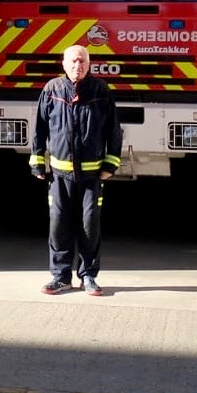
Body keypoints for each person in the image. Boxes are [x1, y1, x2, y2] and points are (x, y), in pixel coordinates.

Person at [30, 44, 122, 296]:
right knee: (59, 225)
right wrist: (38, 162)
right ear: (63, 64)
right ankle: (60, 277)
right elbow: (39, 129)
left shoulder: (100, 91)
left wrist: (110, 165)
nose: (77, 66)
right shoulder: (52, 89)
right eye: (72, 61)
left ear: (89, 64)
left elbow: (113, 130)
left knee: (89, 225)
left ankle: (89, 276)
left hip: (91, 177)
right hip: (59, 176)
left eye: (81, 61)